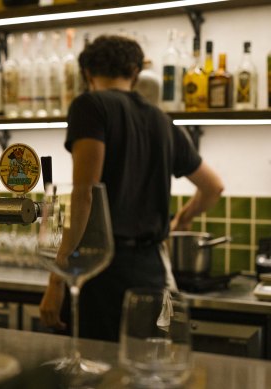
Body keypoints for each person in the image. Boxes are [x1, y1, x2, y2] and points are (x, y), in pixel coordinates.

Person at [39, 35, 224, 342]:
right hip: (151, 272)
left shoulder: (91, 106)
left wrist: (57, 280)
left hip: (102, 271)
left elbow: (85, 193)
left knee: (94, 373)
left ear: (87, 73)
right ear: (135, 73)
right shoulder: (163, 121)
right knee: (140, 372)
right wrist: (185, 218)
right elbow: (213, 187)